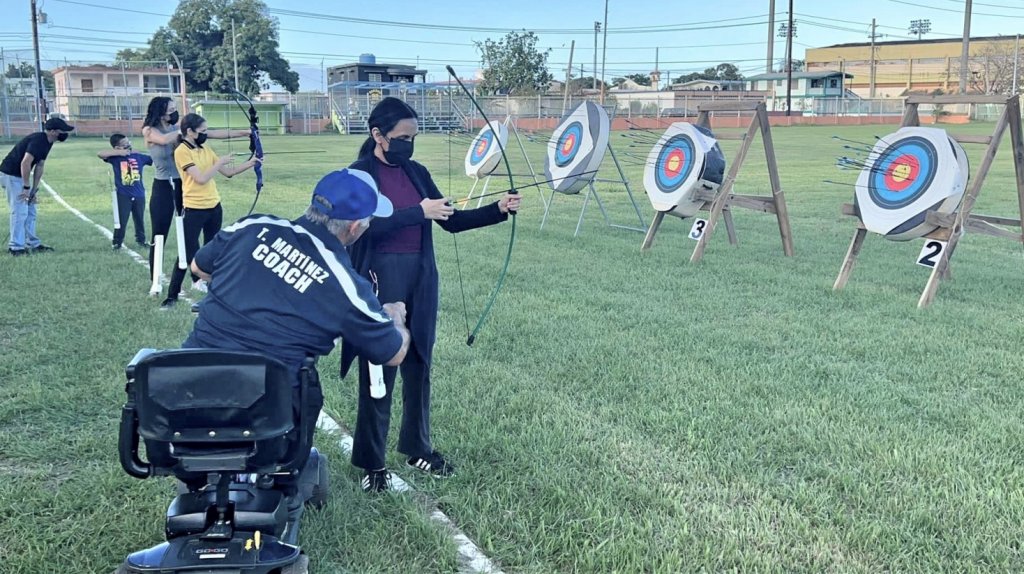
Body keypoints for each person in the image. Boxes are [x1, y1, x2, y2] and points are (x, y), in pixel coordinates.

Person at [341, 97, 521, 492]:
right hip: (378, 278)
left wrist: (497, 209)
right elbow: (358, 226)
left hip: (420, 278)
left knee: (420, 362)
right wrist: (415, 213)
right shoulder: (358, 175)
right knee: (379, 370)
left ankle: (417, 446)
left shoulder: (417, 172)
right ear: (378, 135)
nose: (409, 144)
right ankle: (373, 463)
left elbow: (448, 220)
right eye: (402, 137)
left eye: (413, 137)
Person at [183, 168, 411, 449]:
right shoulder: (345, 283)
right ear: (355, 227)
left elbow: (199, 268)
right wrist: (395, 317)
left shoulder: (252, 226)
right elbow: (394, 353)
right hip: (268, 410)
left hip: (190, 389)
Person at [142, 97, 246, 290]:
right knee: (159, 233)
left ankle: (197, 279)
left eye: (175, 109)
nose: (174, 113)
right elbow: (164, 140)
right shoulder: (150, 130)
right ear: (159, 111)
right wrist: (185, 132)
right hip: (164, 186)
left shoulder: (183, 131)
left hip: (184, 185)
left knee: (189, 235)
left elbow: (213, 134)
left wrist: (246, 133)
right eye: (170, 110)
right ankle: (155, 279)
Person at [159, 112, 258, 310]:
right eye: (203, 131)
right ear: (190, 132)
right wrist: (219, 162)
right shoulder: (182, 151)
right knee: (186, 254)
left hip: (214, 207)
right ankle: (172, 296)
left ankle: (214, 296)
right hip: (195, 209)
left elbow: (228, 173)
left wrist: (253, 162)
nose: (206, 134)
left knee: (214, 254)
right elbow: (201, 178)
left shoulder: (205, 149)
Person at [0, 117, 75, 256]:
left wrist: (34, 189)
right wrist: (26, 188)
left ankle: (32, 243)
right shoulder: (38, 141)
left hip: (20, 176)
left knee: (31, 209)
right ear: (52, 131)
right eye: (62, 131)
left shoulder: (48, 142)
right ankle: (15, 247)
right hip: (10, 174)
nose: (64, 133)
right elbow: (25, 163)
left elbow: (40, 165)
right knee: (20, 210)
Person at [98, 133, 152, 250]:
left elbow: (152, 159)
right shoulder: (116, 158)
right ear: (117, 148)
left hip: (139, 194)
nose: (128, 145)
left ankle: (141, 240)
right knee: (121, 220)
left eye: (128, 143)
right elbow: (101, 154)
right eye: (124, 144)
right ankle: (117, 242)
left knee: (139, 219)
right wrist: (119, 153)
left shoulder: (138, 156)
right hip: (123, 195)